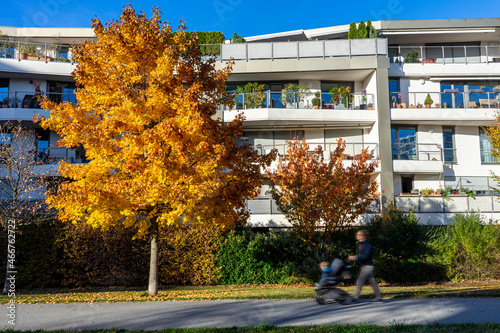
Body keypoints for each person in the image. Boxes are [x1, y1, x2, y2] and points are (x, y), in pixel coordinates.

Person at [348, 229, 382, 301]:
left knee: (359, 281)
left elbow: (366, 256)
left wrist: (355, 257)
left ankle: (354, 297)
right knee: (372, 282)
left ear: (363, 236)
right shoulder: (361, 244)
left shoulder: (366, 245)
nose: (357, 236)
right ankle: (378, 297)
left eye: (358, 235)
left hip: (367, 266)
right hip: (366, 266)